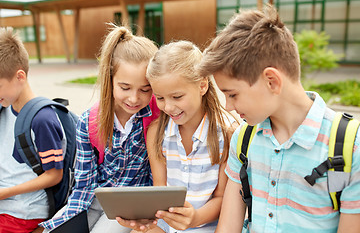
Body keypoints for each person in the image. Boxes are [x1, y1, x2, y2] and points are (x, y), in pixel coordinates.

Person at [196, 4, 360, 233]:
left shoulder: (349, 148)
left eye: (232, 94)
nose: (228, 106)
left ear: (271, 81)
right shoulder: (244, 139)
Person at [40, 25, 158, 232]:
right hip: (96, 198)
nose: (134, 98)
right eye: (125, 87)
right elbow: (84, 184)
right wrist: (63, 221)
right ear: (109, 80)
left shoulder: (157, 115)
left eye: (145, 90)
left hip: (132, 205)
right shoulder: (89, 122)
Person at [118, 41, 236, 233]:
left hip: (204, 226)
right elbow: (160, 189)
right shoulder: (157, 132)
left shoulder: (227, 134)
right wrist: (142, 219)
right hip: (166, 225)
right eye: (161, 98)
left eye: (177, 97)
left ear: (203, 85)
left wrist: (195, 218)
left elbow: (222, 198)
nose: (169, 107)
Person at [0, 27, 64, 232]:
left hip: (23, 212)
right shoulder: (5, 108)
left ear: (20, 76)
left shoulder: (42, 119)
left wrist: (5, 192)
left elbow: (54, 175)